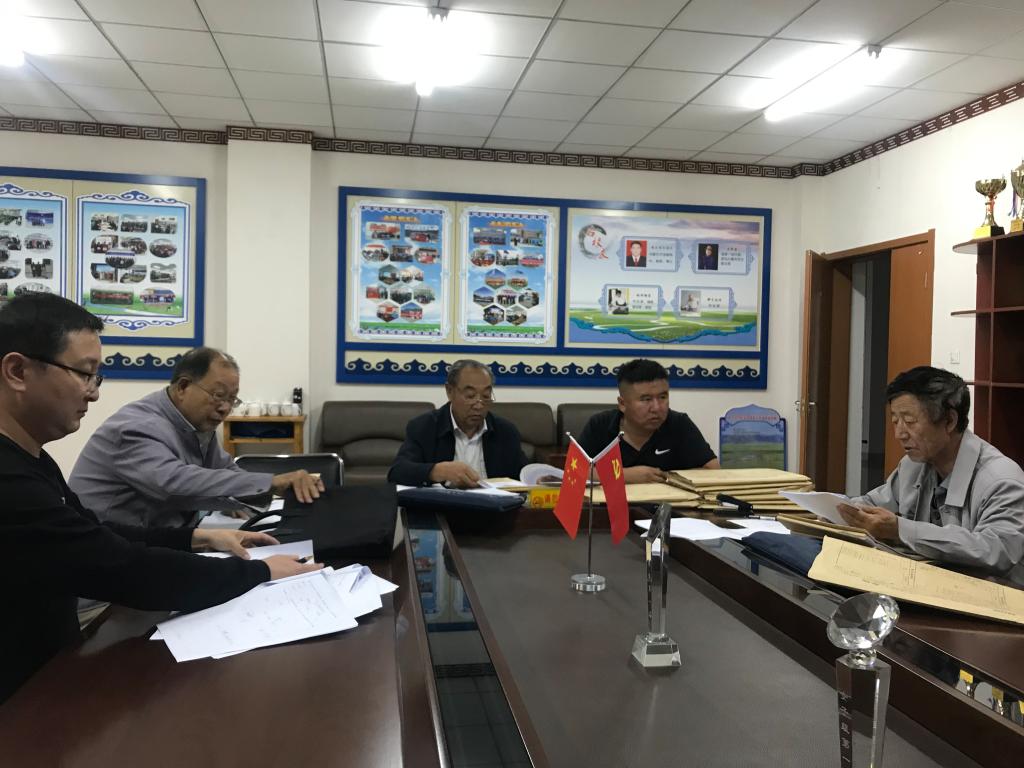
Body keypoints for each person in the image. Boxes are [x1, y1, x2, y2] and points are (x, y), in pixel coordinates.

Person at [0, 293, 320, 703]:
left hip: (65, 638)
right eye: (84, 374)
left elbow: (98, 532)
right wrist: (259, 572)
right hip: (42, 672)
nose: (93, 394)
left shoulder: (33, 459)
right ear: (17, 371)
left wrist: (199, 538)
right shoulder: (16, 476)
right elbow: (121, 558)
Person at [68, 347, 323, 529]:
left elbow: (224, 469)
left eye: (232, 399)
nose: (225, 408)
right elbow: (173, 482)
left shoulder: (196, 423)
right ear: (183, 387)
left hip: (158, 539)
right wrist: (270, 482)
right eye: (218, 395)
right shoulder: (138, 427)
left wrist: (240, 498)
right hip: (105, 552)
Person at [838, 366, 1024, 585]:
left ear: (949, 421)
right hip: (928, 586)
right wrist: (836, 510)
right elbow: (874, 503)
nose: (899, 434)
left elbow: (994, 551)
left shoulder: (1000, 479)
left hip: (993, 599)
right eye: (895, 421)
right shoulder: (913, 465)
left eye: (909, 421)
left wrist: (900, 530)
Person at [388, 359, 527, 488]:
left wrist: (535, 476)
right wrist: (437, 471)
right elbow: (398, 472)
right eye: (470, 396)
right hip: (442, 505)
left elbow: (522, 473)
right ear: (449, 391)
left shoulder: (505, 431)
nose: (479, 405)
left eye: (486, 396)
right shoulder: (424, 427)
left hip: (494, 505)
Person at [579, 358, 719, 484]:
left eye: (663, 397)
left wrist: (665, 477)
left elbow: (713, 469)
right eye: (646, 399)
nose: (657, 408)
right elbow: (575, 470)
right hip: (613, 504)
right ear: (622, 404)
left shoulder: (679, 423)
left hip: (667, 503)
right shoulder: (600, 424)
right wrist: (625, 475)